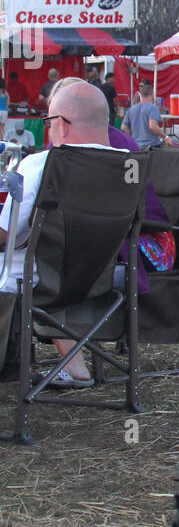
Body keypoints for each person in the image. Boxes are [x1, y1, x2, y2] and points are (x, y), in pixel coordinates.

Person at [0, 80, 117, 384]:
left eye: (49, 122)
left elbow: (5, 234)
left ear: (62, 125)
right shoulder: (128, 166)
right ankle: (73, 365)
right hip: (102, 278)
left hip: (44, 280)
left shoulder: (40, 165)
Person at [121, 82, 174, 149]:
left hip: (136, 147)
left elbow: (123, 127)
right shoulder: (152, 108)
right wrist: (166, 137)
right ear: (152, 94)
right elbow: (152, 126)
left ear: (141, 95)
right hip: (151, 147)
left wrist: (133, 136)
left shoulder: (131, 109)